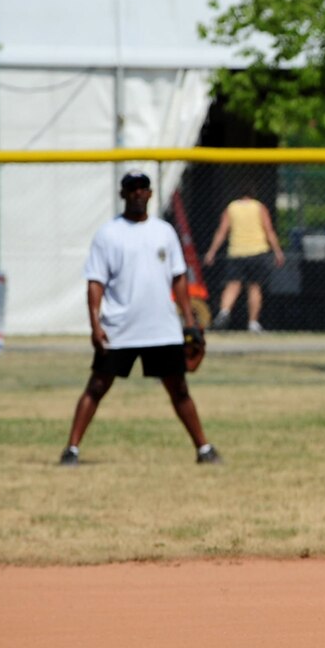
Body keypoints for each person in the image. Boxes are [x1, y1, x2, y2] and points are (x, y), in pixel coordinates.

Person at [60, 171, 222, 467]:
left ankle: (204, 449)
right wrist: (95, 325)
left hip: (161, 327)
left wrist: (189, 320)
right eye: (131, 188)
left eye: (142, 188)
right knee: (96, 387)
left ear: (150, 193)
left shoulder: (164, 232)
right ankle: (71, 449)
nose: (137, 193)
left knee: (179, 390)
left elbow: (179, 278)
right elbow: (95, 282)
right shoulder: (108, 234)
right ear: (122, 194)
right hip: (120, 328)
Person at [203, 191, 285, 331]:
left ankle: (224, 312)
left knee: (233, 285)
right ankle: (253, 322)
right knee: (254, 287)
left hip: (237, 251)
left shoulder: (231, 208)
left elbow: (222, 231)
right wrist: (277, 251)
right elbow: (268, 230)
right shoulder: (259, 207)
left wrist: (212, 251)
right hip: (257, 251)